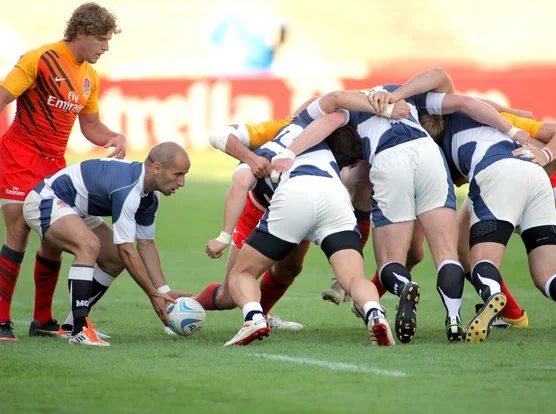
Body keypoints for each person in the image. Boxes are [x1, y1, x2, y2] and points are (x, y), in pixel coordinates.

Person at [271, 69, 530, 343]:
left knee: (391, 261)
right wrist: (511, 128)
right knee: (445, 253)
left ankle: (405, 285)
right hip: (429, 155)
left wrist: (289, 152)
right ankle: (454, 322)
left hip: (390, 159)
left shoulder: (356, 103)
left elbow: (326, 119)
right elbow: (466, 102)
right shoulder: (413, 97)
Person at [418, 105, 556, 343]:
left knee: (482, 260)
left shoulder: (435, 147)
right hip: (536, 175)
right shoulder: (493, 118)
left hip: (497, 174)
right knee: (547, 275)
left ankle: (494, 295)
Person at [0, 2, 127, 341]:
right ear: (81, 33)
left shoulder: (89, 76)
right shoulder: (38, 59)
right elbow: (2, 95)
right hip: (18, 157)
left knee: (52, 238)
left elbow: (91, 126)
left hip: (55, 165)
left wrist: (114, 137)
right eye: (101, 39)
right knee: (17, 233)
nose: (106, 47)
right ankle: (1, 320)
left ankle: (42, 320)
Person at [224, 108, 394, 347]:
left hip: (295, 193)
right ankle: (374, 312)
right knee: (354, 277)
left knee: (241, 273)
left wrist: (223, 235)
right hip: (335, 197)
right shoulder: (327, 150)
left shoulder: (280, 141)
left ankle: (255, 318)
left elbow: (242, 178)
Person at [22, 142, 190, 346]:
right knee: (89, 245)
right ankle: (79, 329)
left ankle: (68, 327)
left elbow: (145, 244)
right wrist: (152, 294)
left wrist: (163, 292)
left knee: (113, 259)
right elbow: (127, 249)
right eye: (178, 174)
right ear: (156, 168)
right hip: (46, 200)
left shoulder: (150, 197)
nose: (182, 182)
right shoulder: (128, 188)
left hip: (76, 209)